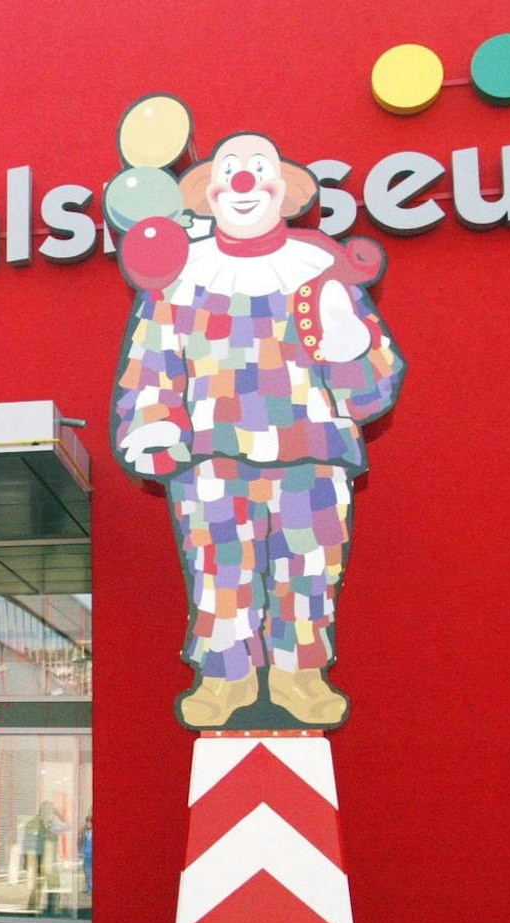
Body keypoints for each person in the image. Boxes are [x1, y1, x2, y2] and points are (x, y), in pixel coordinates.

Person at [111, 133, 404, 729]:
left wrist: (349, 346)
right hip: (211, 455)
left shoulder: (323, 272)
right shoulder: (179, 280)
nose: (243, 182)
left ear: (283, 192)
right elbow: (152, 363)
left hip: (312, 451)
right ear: (210, 195)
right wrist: (152, 426)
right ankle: (227, 677)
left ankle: (301, 676)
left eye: (257, 169)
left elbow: (373, 387)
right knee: (220, 569)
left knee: (309, 568)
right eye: (228, 172)